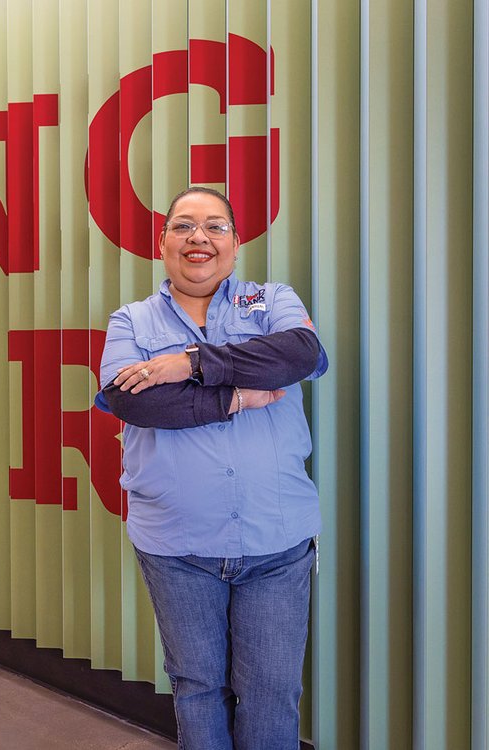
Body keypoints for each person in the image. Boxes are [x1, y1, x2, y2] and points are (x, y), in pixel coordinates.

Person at [95, 186, 328, 750]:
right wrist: (234, 397)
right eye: (183, 226)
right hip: (177, 546)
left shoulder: (273, 301)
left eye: (214, 226)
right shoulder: (130, 321)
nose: (199, 237)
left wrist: (190, 364)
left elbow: (300, 354)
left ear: (235, 242)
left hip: (277, 542)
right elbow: (134, 402)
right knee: (197, 685)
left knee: (272, 690)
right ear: (164, 242)